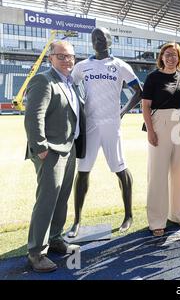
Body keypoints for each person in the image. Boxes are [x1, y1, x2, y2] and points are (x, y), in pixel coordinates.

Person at [68, 27, 141, 237]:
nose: (98, 41)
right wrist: (80, 103)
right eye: (94, 39)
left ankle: (128, 215)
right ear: (91, 42)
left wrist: (123, 111)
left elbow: (139, 91)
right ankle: (77, 221)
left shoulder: (120, 65)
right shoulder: (82, 66)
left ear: (110, 41)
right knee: (83, 171)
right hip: (89, 125)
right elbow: (70, 85)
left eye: (102, 38)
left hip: (111, 125)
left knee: (120, 168)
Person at [24, 40, 85, 272]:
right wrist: (40, 147)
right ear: (50, 58)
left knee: (61, 198)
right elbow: (33, 116)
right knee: (47, 200)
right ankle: (36, 252)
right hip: (49, 151)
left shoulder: (71, 83)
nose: (68, 60)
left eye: (70, 56)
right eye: (62, 56)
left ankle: (56, 237)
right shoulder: (43, 80)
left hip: (68, 149)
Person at [142, 42, 180, 236]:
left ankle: (178, 213)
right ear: (162, 57)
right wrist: (150, 130)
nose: (171, 58)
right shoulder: (152, 77)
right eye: (168, 54)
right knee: (158, 173)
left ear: (179, 58)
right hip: (160, 123)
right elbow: (146, 105)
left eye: (175, 55)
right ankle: (156, 221)